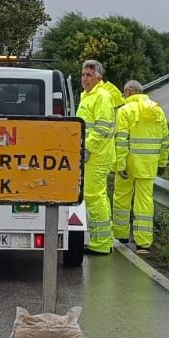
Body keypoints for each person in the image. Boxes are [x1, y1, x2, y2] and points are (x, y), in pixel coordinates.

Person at [112, 80, 169, 253]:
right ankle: (143, 243)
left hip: (128, 164)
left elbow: (121, 141)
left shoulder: (124, 111)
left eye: (124, 93)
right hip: (149, 164)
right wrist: (162, 163)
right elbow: (165, 140)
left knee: (121, 199)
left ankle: (120, 236)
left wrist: (119, 165)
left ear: (129, 92)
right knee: (144, 201)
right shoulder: (157, 110)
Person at [76, 59, 117, 254]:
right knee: (98, 196)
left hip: (96, 156)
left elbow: (102, 128)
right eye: (83, 75)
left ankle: (100, 244)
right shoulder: (87, 96)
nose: (85, 78)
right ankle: (104, 240)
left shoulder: (101, 96)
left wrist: (88, 149)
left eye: (89, 75)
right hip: (91, 155)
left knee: (93, 196)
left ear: (98, 77)